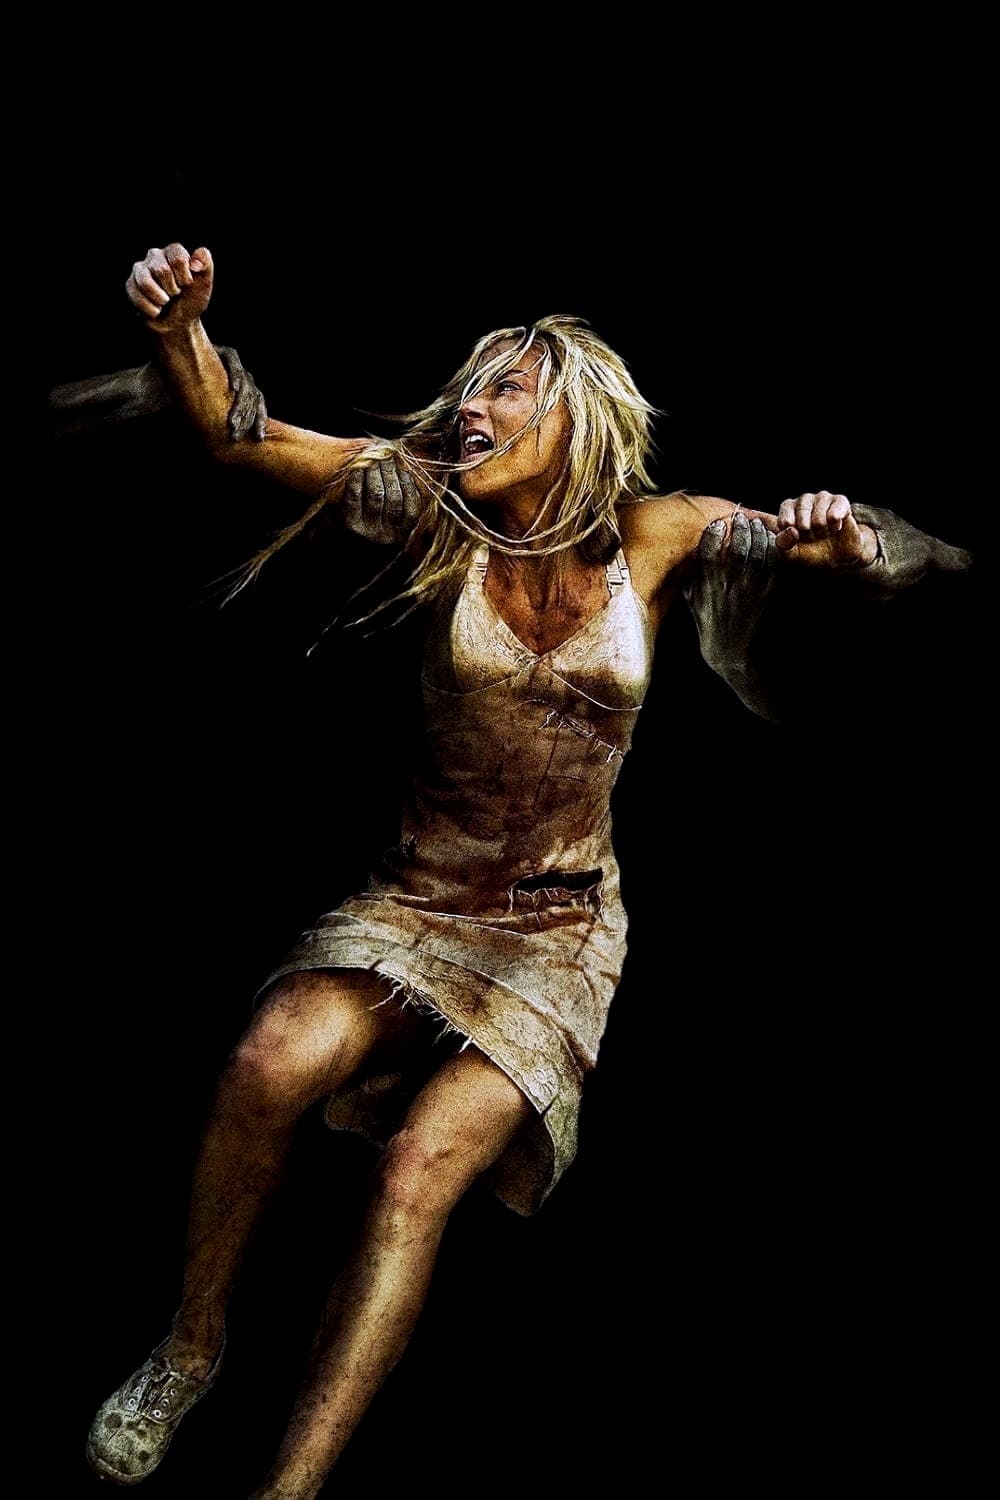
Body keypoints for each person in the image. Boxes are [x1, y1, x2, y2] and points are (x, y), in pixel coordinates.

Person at [85, 243, 972, 1500]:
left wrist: (848, 535)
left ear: (578, 416)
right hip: (416, 901)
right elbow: (244, 437)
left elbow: (856, 556)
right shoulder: (426, 511)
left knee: (417, 1173)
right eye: (468, 389)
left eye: (505, 388)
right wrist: (180, 335)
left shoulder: (654, 536)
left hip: (556, 933)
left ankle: (290, 1489)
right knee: (266, 1062)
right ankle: (188, 1349)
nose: (471, 408)